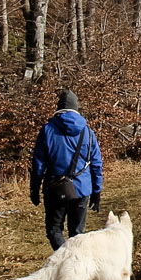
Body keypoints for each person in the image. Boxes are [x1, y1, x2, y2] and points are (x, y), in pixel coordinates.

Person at [29, 89, 103, 250]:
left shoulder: (47, 130)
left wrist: (34, 189)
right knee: (77, 233)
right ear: (76, 108)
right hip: (82, 190)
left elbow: (38, 164)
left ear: (59, 107)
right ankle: (74, 265)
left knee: (54, 230)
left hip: (55, 188)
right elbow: (96, 164)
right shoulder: (88, 132)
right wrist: (96, 192)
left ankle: (65, 260)